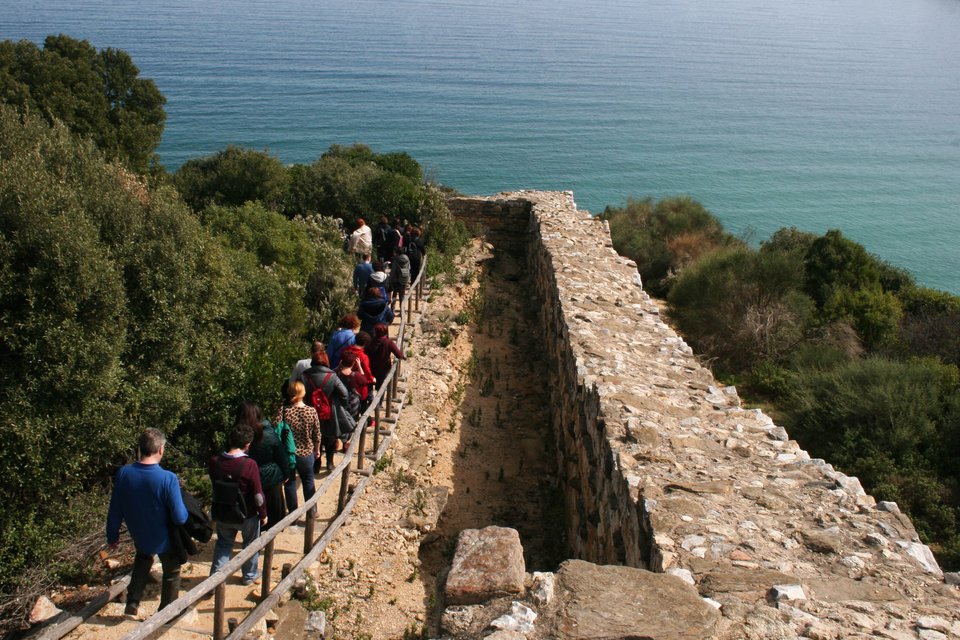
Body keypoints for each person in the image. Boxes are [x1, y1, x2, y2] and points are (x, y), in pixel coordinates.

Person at [106, 428, 188, 617]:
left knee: (143, 559)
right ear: (161, 449)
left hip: (139, 533)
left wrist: (112, 536)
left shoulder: (124, 473)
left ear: (140, 448)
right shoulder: (168, 478)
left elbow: (115, 509)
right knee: (172, 570)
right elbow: (180, 517)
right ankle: (167, 612)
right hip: (164, 538)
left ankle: (133, 602)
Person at [209, 423, 267, 585]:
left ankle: (214, 582)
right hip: (246, 514)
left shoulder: (215, 462)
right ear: (247, 445)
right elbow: (258, 496)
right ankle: (249, 575)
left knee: (223, 544)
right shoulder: (249, 464)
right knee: (250, 544)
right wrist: (263, 513)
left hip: (223, 511)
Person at [242, 401, 290, 530]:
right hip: (270, 477)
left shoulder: (238, 434)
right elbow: (280, 454)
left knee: (252, 511)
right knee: (273, 513)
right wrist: (286, 473)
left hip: (247, 478)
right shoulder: (268, 432)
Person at [302, 352, 352, 471]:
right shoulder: (332, 376)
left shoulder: (304, 375)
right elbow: (344, 393)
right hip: (330, 410)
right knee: (330, 436)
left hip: (310, 411)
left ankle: (316, 463)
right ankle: (330, 462)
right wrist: (341, 405)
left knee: (314, 436)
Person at [275, 380, 321, 506]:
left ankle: (293, 513)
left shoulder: (284, 411)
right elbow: (317, 434)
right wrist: (317, 449)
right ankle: (311, 510)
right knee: (308, 481)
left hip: (288, 453)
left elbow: (276, 428)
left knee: (290, 483)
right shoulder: (311, 411)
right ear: (303, 393)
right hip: (306, 452)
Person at [365, 322, 405, 390]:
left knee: (369, 386)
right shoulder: (388, 342)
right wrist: (403, 356)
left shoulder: (371, 341)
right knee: (381, 388)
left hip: (371, 367)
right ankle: (379, 396)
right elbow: (399, 355)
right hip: (383, 368)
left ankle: (370, 395)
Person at [388, 248, 411, 315]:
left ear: (397, 253)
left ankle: (392, 311)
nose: (393, 254)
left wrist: (390, 280)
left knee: (394, 295)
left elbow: (393, 272)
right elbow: (409, 268)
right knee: (402, 296)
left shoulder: (396, 261)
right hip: (404, 280)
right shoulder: (407, 259)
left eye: (394, 252)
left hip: (396, 281)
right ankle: (402, 311)